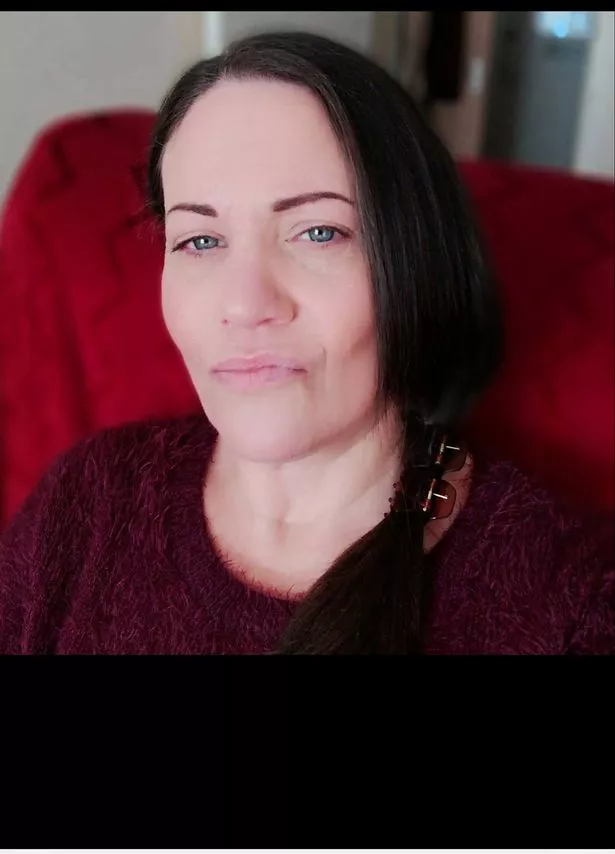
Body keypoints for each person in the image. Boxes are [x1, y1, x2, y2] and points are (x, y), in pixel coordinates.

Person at [0, 31, 612, 655]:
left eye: (318, 232)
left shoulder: (571, 601)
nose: (245, 305)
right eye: (200, 241)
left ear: (417, 263)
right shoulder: (88, 500)